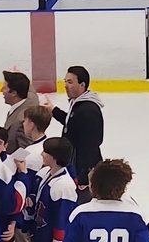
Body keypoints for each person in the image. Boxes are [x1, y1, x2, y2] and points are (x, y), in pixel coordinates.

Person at [1, 70, 39, 242]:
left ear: (15, 92)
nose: (1, 91)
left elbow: (27, 147)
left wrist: (10, 164)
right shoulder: (27, 101)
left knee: (21, 235)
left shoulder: (21, 118)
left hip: (21, 180)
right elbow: (32, 92)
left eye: (5, 87)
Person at [43, 66, 104, 203]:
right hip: (76, 166)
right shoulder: (79, 105)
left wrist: (83, 175)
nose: (65, 86)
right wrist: (53, 111)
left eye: (70, 82)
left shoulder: (88, 110)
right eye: (65, 81)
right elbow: (73, 122)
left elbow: (91, 144)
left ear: (82, 85)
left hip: (83, 171)